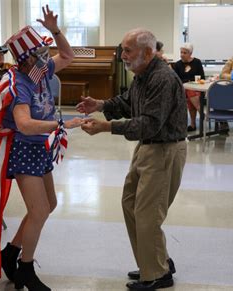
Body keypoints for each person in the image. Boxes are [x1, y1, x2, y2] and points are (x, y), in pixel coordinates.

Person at [0, 6, 82, 290]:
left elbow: (68, 55)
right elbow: (25, 124)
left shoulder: (40, 71)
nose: (46, 56)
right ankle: (26, 269)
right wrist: (63, 123)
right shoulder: (20, 84)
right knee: (40, 209)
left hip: (37, 147)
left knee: (49, 204)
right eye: (40, 53)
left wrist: (55, 31)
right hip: (23, 148)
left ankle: (11, 251)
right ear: (26, 58)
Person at [77, 28, 187, 290]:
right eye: (122, 49)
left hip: (163, 149)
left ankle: (158, 274)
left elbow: (149, 124)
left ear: (148, 52)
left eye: (128, 50)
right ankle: (155, 261)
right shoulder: (142, 74)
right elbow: (129, 102)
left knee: (148, 213)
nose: (122, 56)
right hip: (148, 148)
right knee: (131, 203)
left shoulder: (162, 78)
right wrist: (100, 105)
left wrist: (107, 127)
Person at [172, 43, 204, 131]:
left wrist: (191, 83)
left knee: (191, 93)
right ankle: (201, 113)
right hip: (183, 89)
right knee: (190, 92)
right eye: (181, 52)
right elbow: (176, 79)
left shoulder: (197, 62)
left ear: (190, 53)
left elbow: (202, 77)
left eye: (184, 53)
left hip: (196, 88)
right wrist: (187, 83)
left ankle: (193, 124)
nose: (182, 54)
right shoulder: (177, 64)